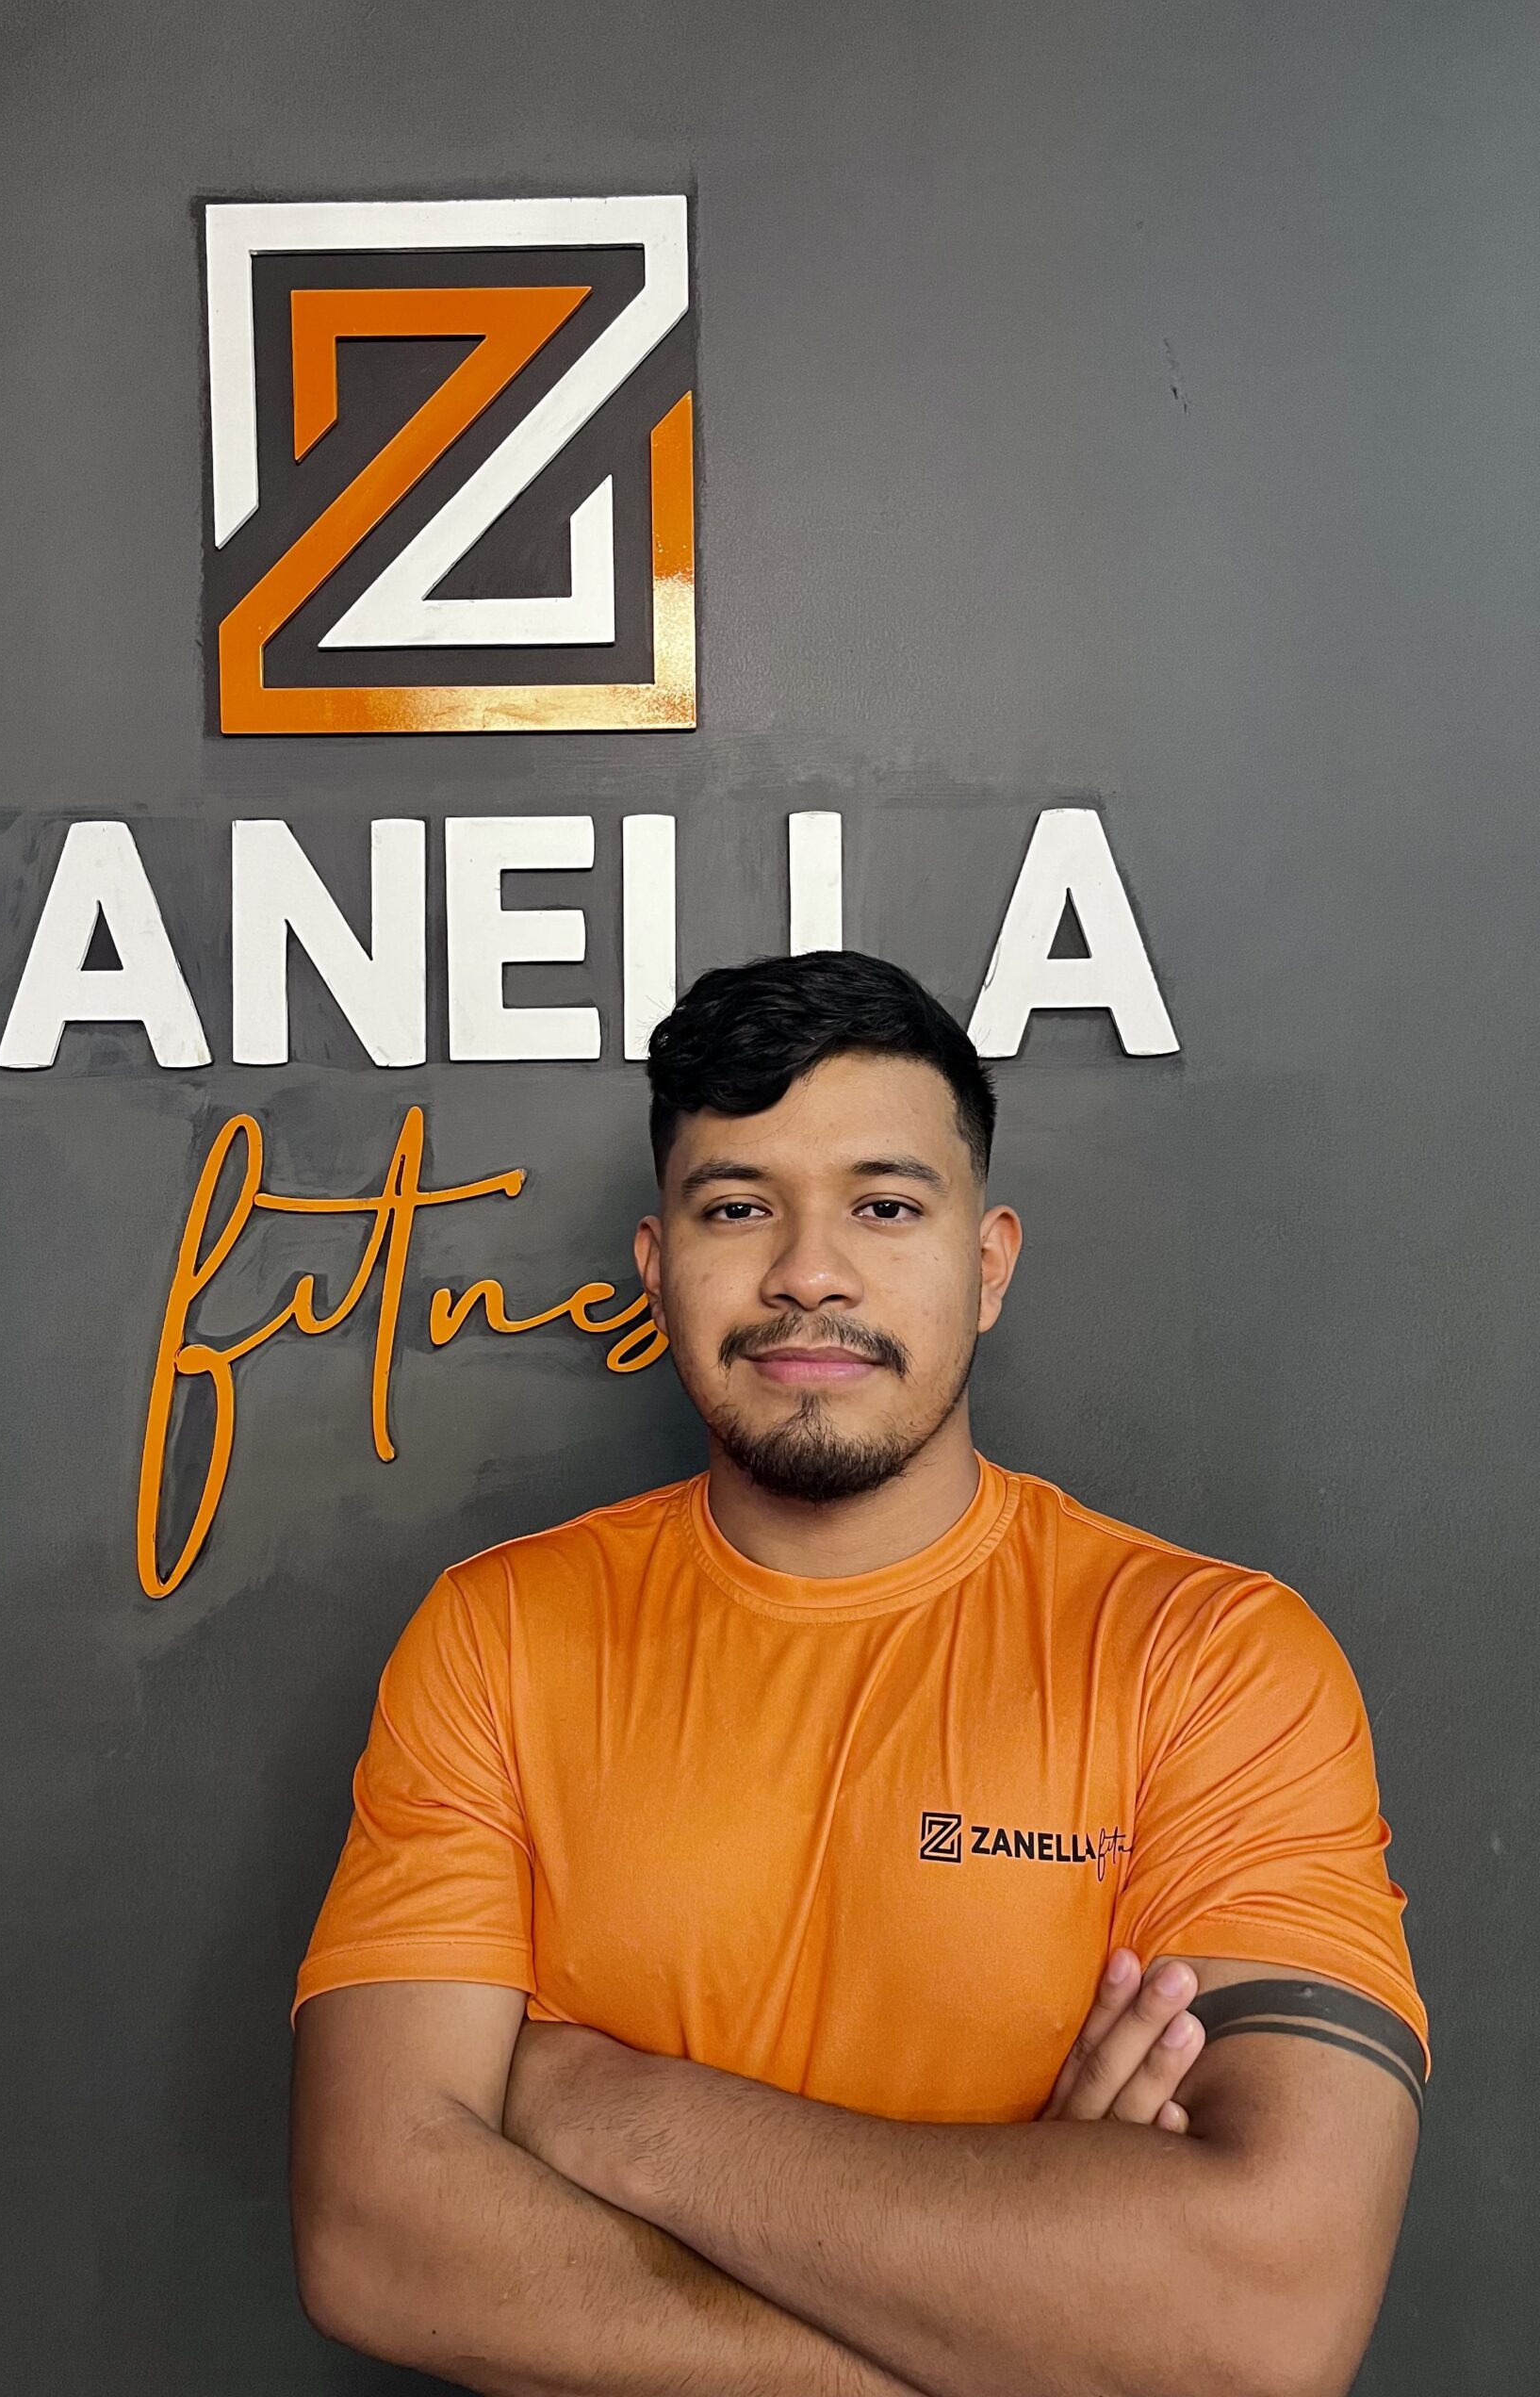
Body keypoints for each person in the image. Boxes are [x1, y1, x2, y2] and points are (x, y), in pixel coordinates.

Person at [288, 950, 1426, 2397]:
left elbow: (1264, 2314)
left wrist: (619, 2111)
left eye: (884, 1207)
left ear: (988, 1264)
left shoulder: (1210, 1660)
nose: (808, 1272)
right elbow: (381, 2235)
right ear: (657, 1266)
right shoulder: (497, 1636)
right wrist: (1028, 2316)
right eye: (736, 1207)